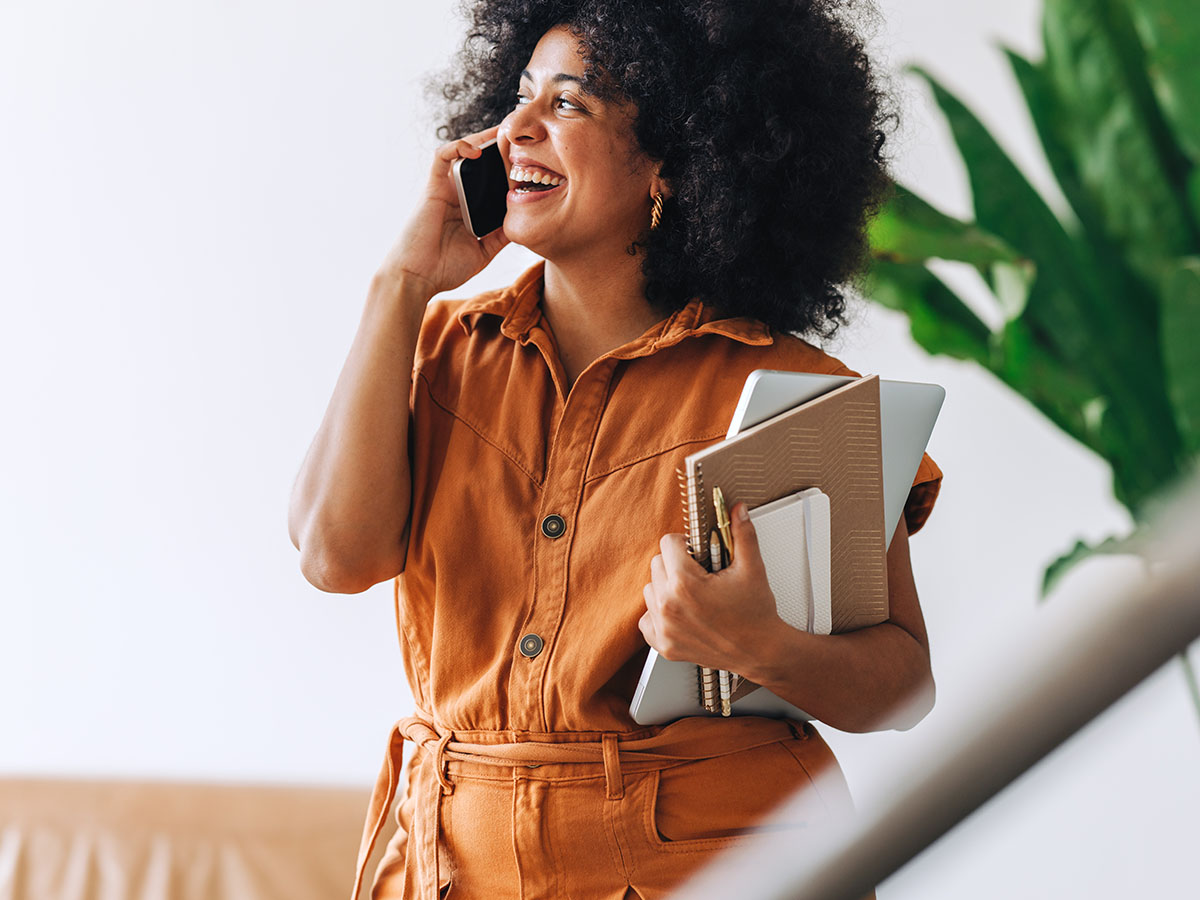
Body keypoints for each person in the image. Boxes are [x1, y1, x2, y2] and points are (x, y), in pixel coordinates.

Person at [288, 1, 942, 897]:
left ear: (673, 163)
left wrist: (761, 644)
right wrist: (400, 283)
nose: (514, 130)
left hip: (715, 864)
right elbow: (333, 555)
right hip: (447, 864)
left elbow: (902, 684)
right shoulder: (440, 346)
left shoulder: (787, 393)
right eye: (518, 98)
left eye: (568, 105)